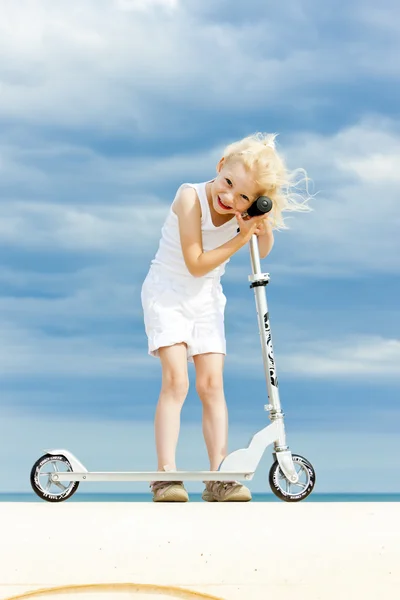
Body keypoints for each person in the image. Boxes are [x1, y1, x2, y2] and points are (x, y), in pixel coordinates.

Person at [141, 132, 311, 502]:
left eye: (244, 196)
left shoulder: (240, 214)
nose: (229, 197)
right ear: (220, 167)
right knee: (177, 382)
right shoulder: (191, 197)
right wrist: (239, 235)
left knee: (212, 386)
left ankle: (220, 474)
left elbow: (261, 249)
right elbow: (195, 262)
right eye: (228, 183)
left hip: (205, 300)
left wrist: (257, 224)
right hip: (167, 293)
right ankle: (165, 474)